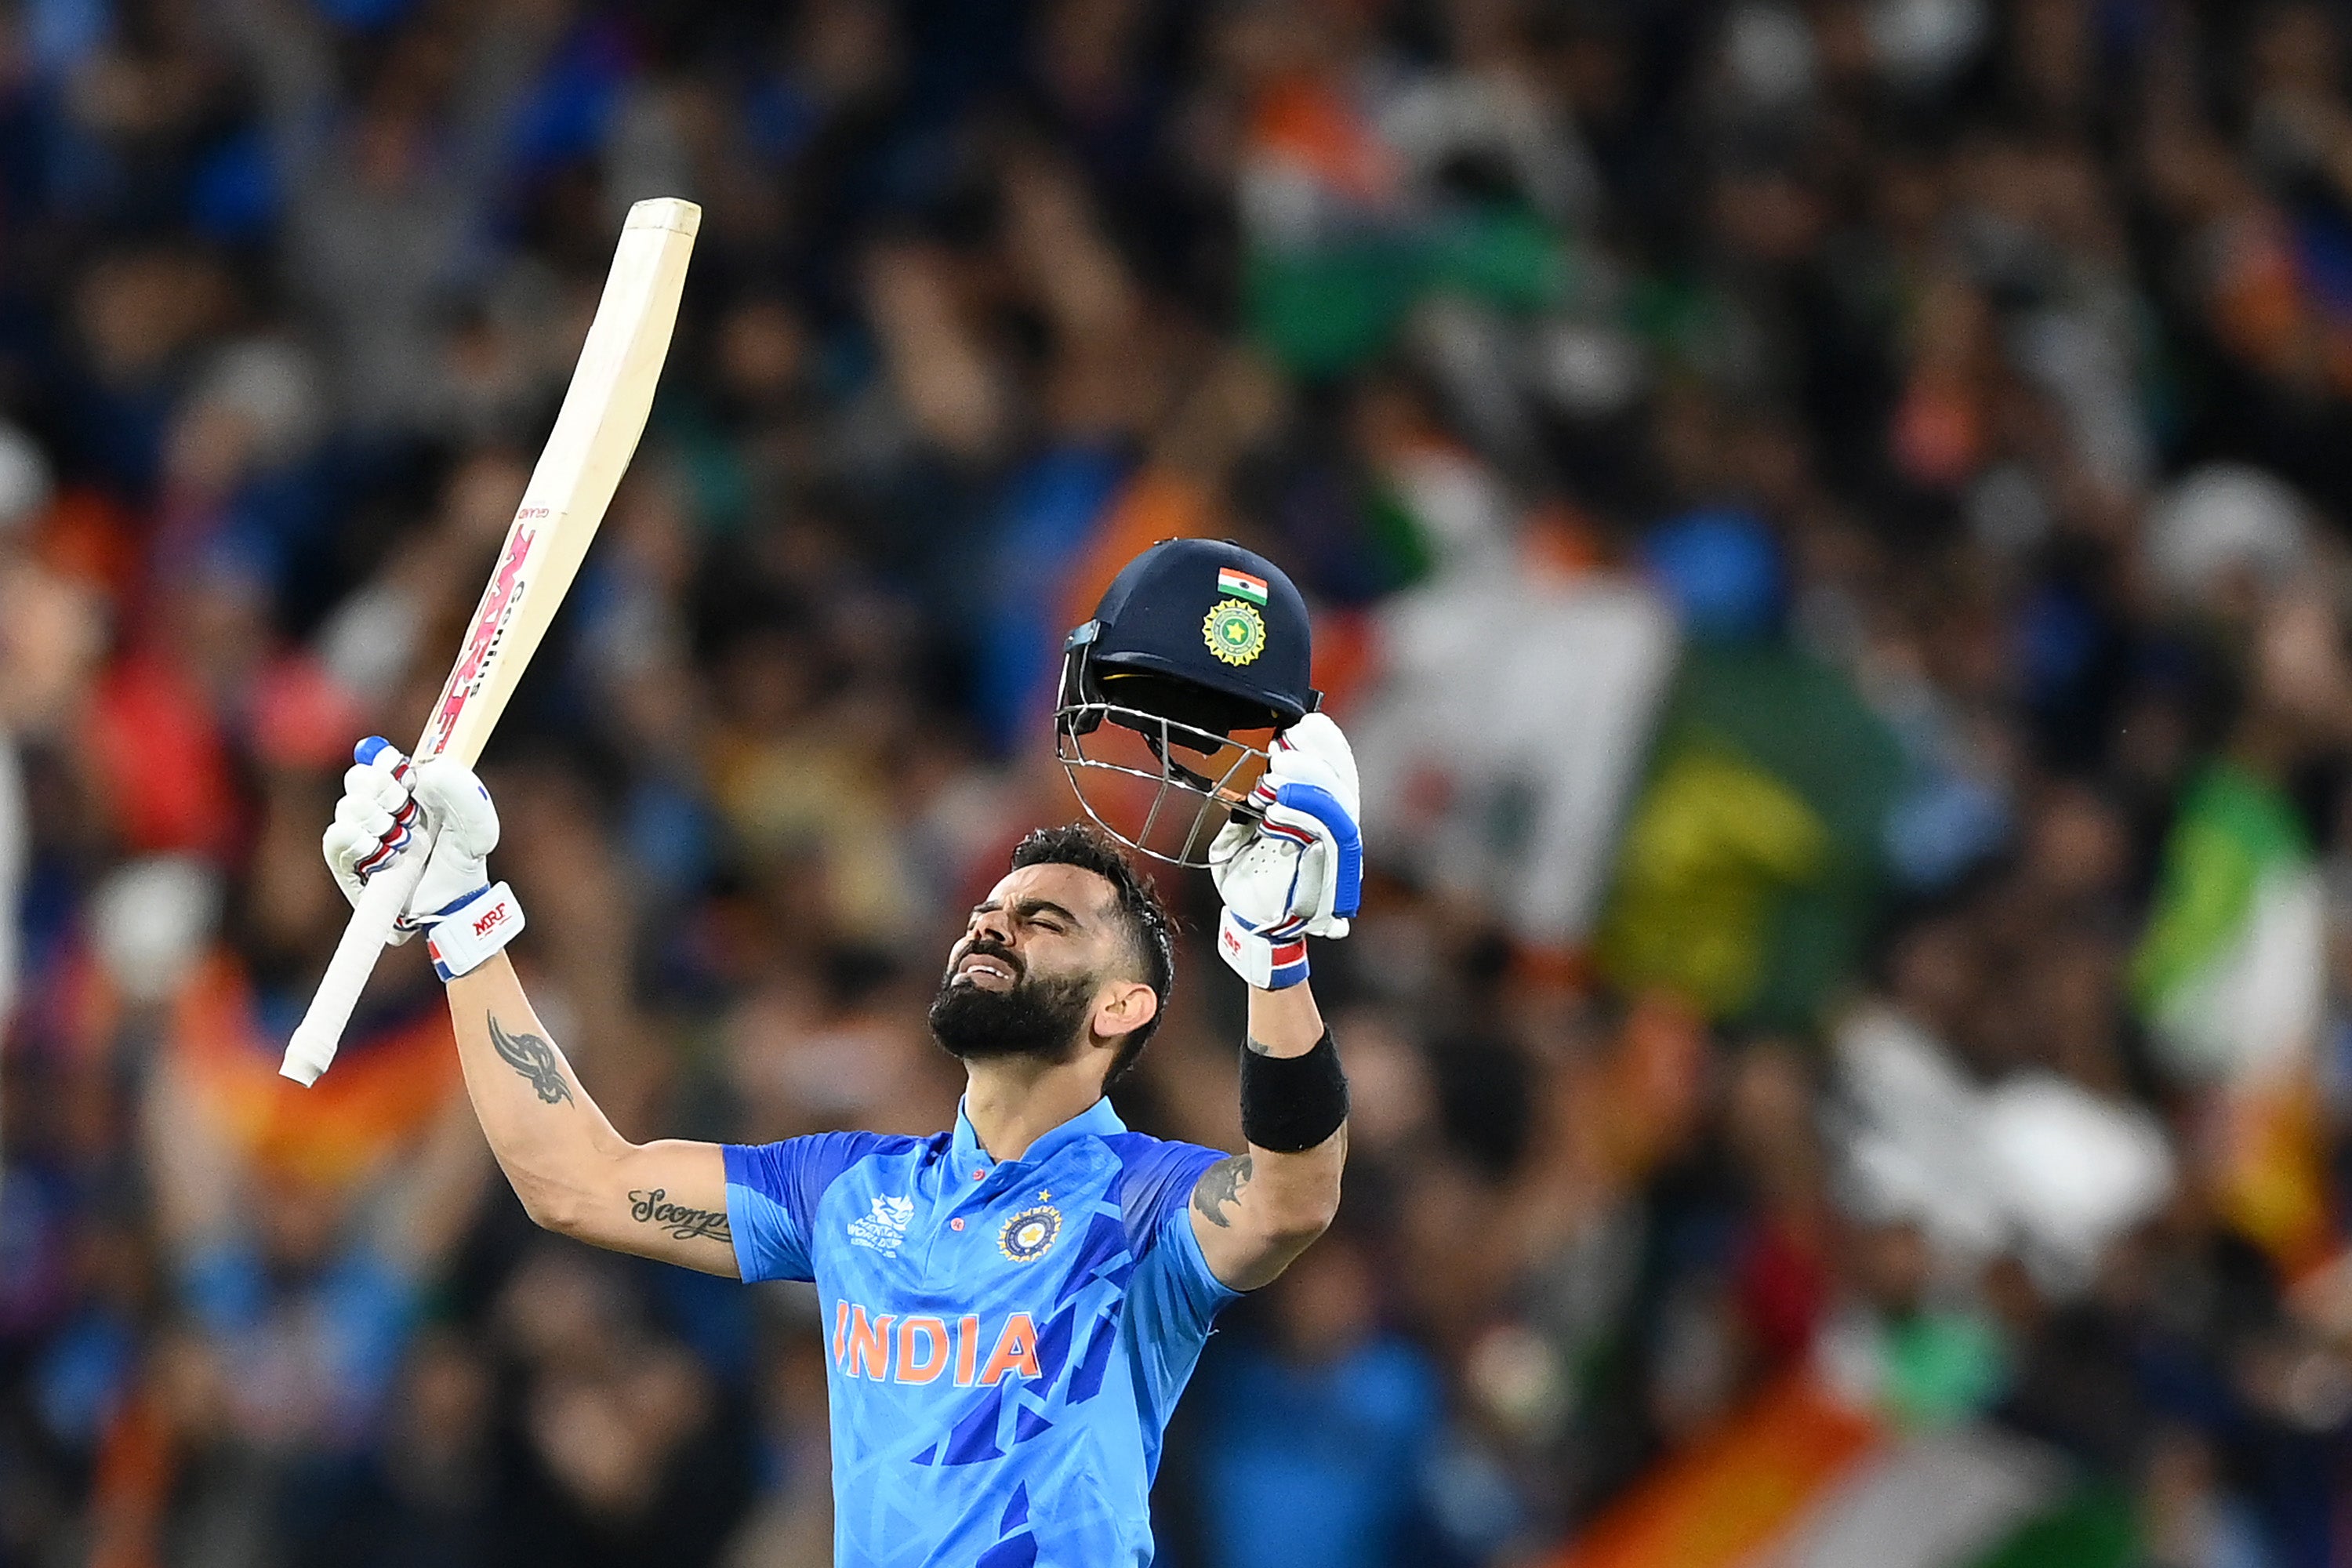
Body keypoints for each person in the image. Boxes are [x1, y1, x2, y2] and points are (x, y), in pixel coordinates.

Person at [317, 710, 1363, 1567]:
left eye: (1045, 923)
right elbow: (578, 1182)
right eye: (989, 912)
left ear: (1122, 1009)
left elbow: (1292, 1196)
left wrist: (1276, 960)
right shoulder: (850, 1192)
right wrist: (459, 913)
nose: (991, 925)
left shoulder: (1140, 1203)